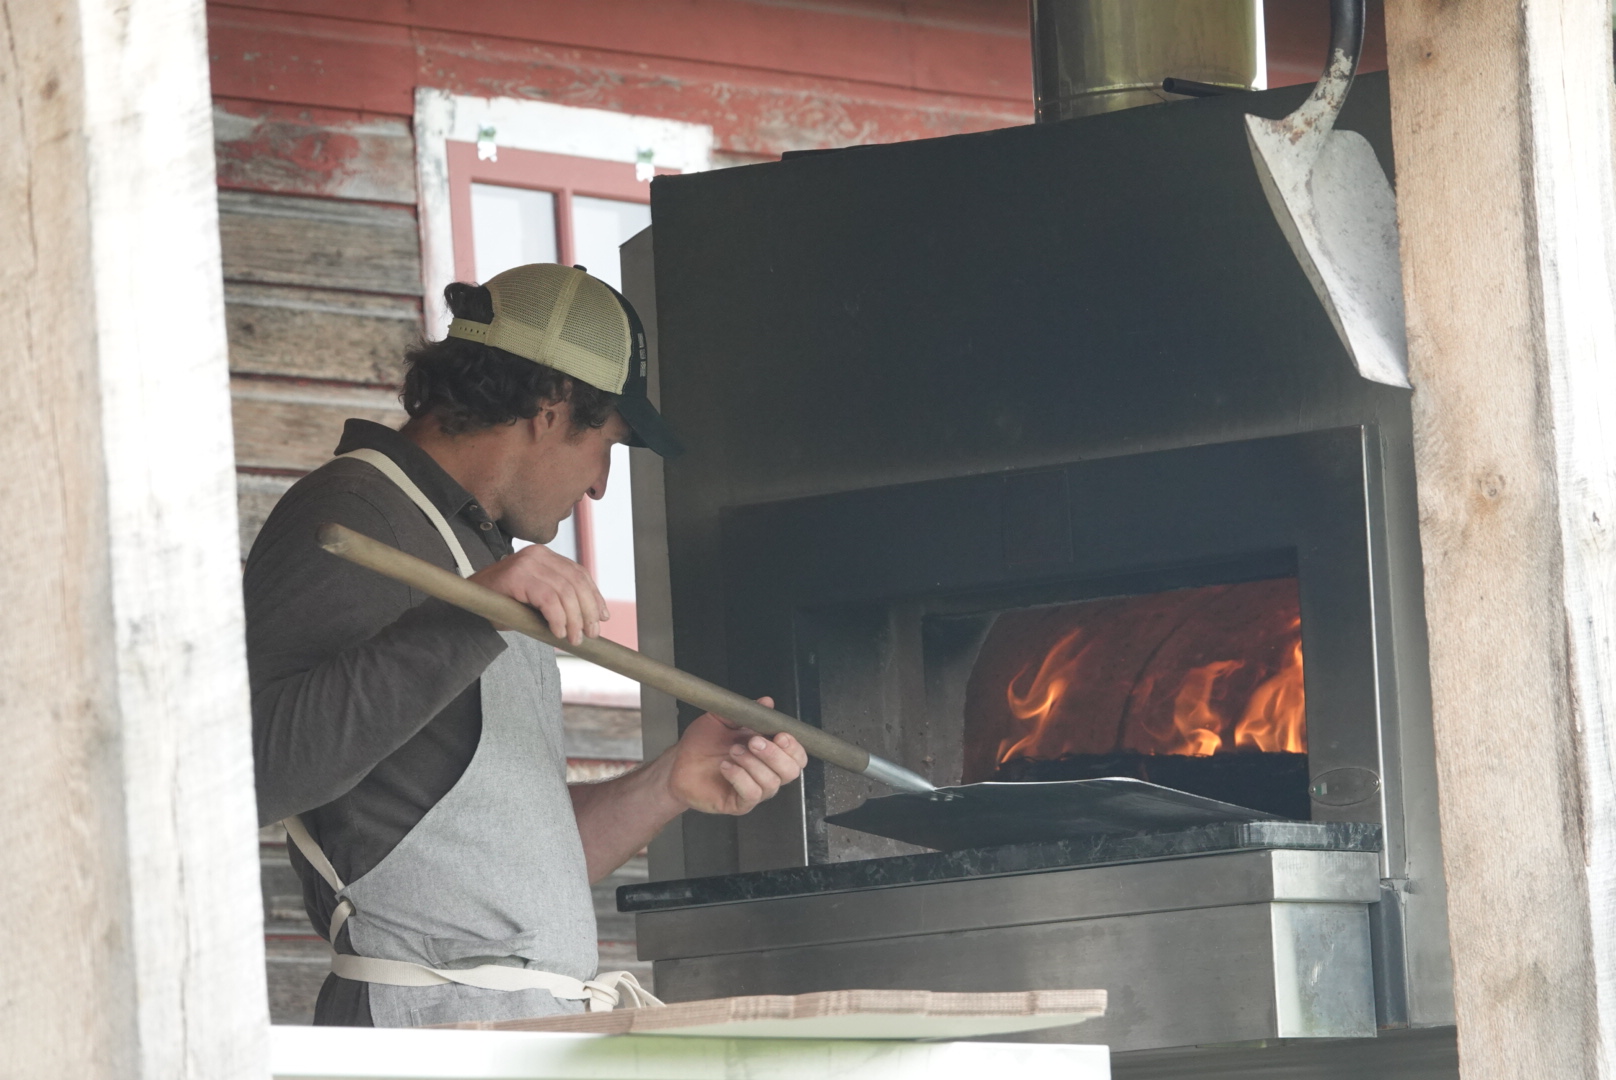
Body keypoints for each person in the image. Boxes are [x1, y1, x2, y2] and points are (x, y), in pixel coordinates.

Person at [244, 263, 807, 1028]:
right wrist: (474, 616)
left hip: (508, 1031)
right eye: (607, 442)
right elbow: (260, 769)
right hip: (423, 1040)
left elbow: (512, 889)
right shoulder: (357, 509)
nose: (603, 484)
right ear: (551, 405)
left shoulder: (483, 554)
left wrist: (672, 781)